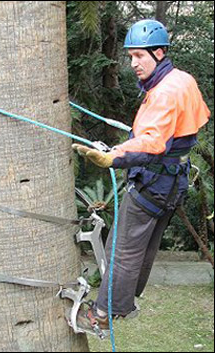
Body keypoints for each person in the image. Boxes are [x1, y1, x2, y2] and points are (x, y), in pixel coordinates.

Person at [71, 19, 211, 334]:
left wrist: (114, 156)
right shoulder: (183, 80)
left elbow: (151, 143)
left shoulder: (164, 93)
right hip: (174, 183)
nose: (133, 63)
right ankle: (126, 299)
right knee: (145, 244)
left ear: (159, 52)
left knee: (121, 248)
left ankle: (102, 315)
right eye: (130, 56)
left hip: (154, 183)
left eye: (139, 56)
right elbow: (194, 119)